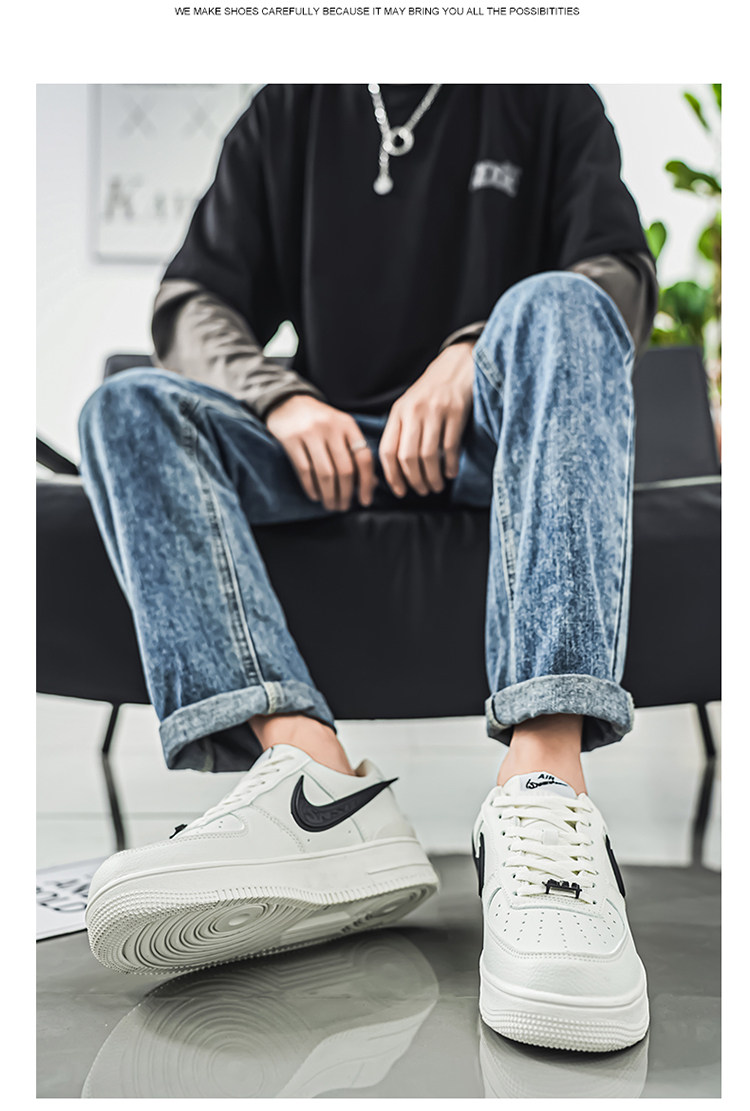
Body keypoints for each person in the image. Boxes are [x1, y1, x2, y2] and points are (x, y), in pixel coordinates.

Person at [79, 84, 657, 1053]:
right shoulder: (290, 111)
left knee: (561, 300)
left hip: (496, 434)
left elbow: (619, 276)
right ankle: (317, 784)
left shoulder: (547, 96)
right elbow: (192, 300)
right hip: (330, 446)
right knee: (127, 410)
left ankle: (544, 784)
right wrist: (281, 398)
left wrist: (474, 351)